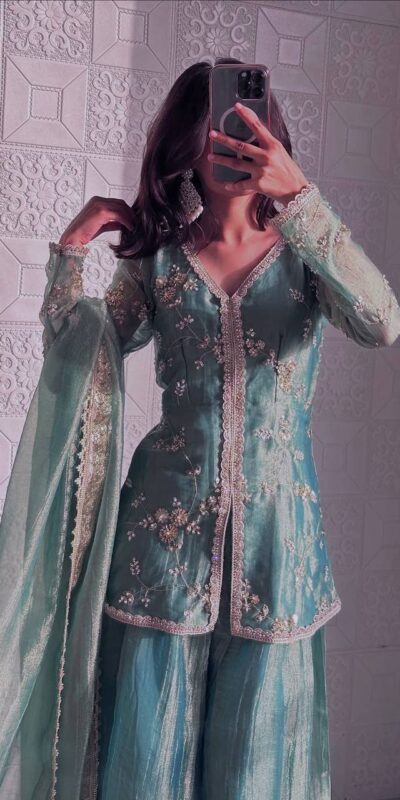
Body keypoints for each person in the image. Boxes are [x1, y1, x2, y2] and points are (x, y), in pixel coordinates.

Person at [1, 57, 400, 800]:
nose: (230, 143)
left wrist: (301, 200)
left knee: (257, 773)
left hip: (277, 551)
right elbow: (79, 352)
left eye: (247, 127)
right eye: (215, 128)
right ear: (186, 145)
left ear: (271, 134)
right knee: (148, 767)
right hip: (161, 549)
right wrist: (72, 248)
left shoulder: (307, 254)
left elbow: (382, 322)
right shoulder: (160, 261)